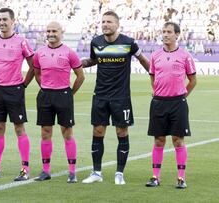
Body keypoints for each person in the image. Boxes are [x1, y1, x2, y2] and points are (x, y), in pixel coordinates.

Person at [81, 11, 150, 185]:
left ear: (117, 24)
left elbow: (142, 60)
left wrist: (156, 75)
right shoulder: (95, 42)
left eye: (109, 22)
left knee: (121, 132)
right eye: (103, 21)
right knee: (97, 131)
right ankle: (96, 172)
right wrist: (82, 62)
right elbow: (93, 60)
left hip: (121, 97)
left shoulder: (128, 43)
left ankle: (119, 173)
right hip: (100, 95)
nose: (105, 24)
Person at [0, 7, 35, 181]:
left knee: (19, 128)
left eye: (5, 19)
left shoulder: (21, 41)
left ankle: (25, 168)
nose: (2, 23)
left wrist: (24, 85)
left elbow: (34, 66)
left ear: (13, 21)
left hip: (15, 90)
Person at [145, 22, 196, 189]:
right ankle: (155, 177)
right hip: (159, 103)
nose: (165, 34)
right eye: (163, 31)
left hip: (178, 103)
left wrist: (182, 95)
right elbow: (153, 77)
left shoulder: (185, 56)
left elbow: (193, 80)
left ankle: (181, 178)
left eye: (169, 32)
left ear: (177, 35)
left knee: (178, 140)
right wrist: (158, 91)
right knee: (159, 140)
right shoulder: (155, 55)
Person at [32, 21, 85, 183]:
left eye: (54, 30)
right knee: (45, 133)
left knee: (67, 133)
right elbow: (37, 74)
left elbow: (80, 76)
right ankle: (45, 171)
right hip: (45, 96)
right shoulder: (39, 53)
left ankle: (72, 172)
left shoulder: (69, 53)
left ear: (61, 32)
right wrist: (47, 88)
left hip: (63, 95)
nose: (51, 33)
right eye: (48, 31)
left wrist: (69, 93)